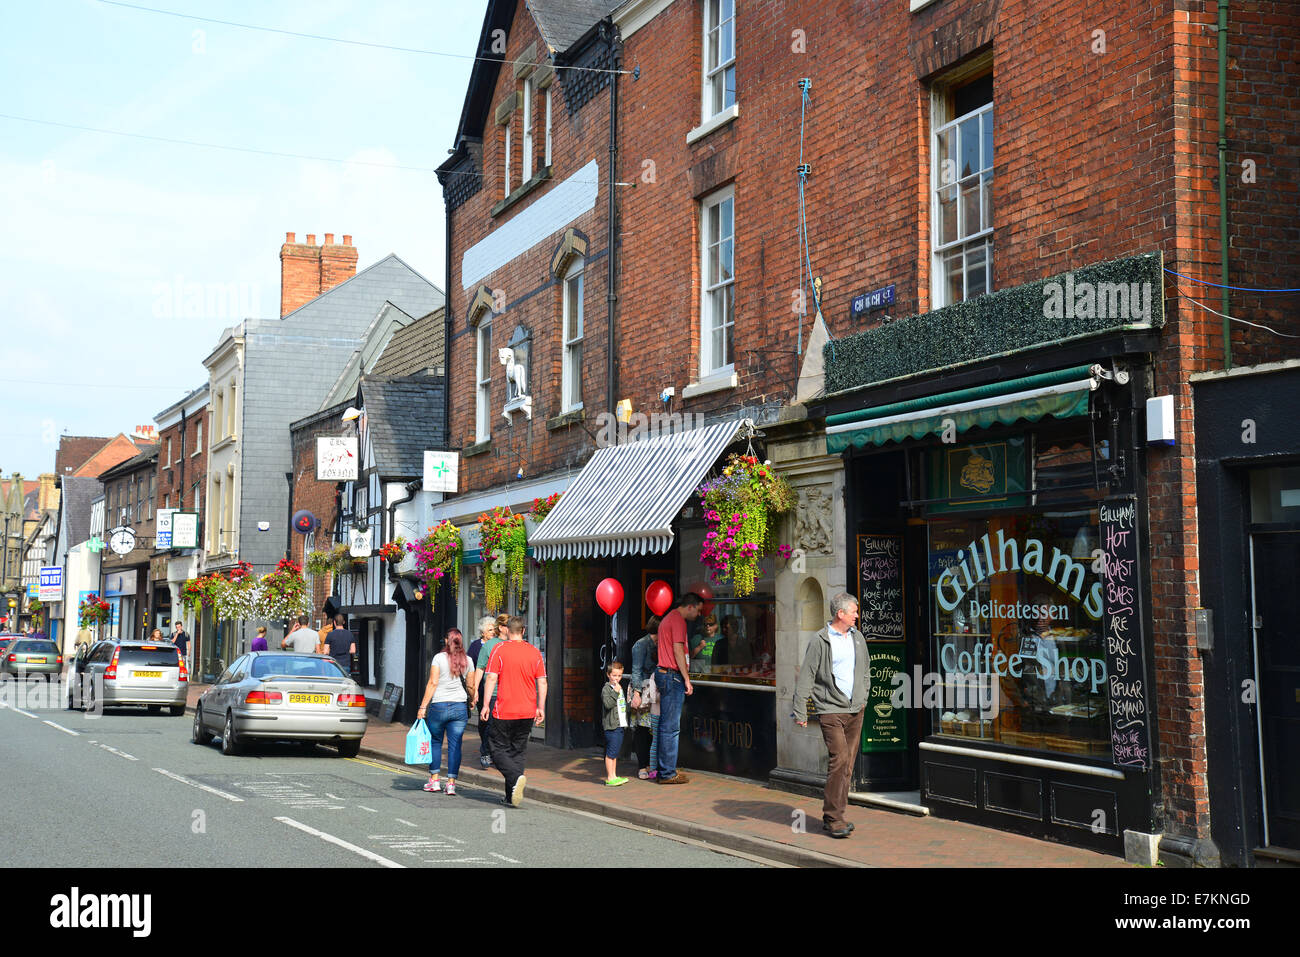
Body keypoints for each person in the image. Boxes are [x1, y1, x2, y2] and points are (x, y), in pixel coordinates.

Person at [792, 593, 871, 839]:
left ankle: (837, 814)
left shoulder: (858, 638)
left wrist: (863, 697)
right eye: (854, 612)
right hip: (830, 709)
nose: (857, 615)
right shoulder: (820, 640)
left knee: (847, 765)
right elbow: (807, 674)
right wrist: (800, 709)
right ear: (841, 614)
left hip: (855, 709)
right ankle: (833, 818)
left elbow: (866, 668)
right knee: (840, 759)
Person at [481, 615, 547, 807]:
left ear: (507, 631)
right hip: (527, 710)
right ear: (523, 631)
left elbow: (491, 678)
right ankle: (511, 796)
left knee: (496, 748)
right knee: (517, 751)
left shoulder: (499, 649)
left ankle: (516, 777)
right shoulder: (534, 652)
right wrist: (541, 707)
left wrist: (485, 704)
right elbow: (542, 682)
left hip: (505, 710)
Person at [416, 628, 476, 796]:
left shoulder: (438, 658)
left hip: (439, 706)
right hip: (459, 708)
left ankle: (434, 781)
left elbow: (432, 683)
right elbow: (471, 686)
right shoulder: (468, 660)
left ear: (446, 641)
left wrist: (422, 707)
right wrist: (472, 700)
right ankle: (451, 784)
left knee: (435, 742)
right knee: (455, 745)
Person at [654, 592, 703, 785]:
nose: (698, 615)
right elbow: (678, 650)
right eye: (698, 610)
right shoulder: (678, 621)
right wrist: (687, 679)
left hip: (665, 674)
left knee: (667, 726)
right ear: (689, 606)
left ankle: (666, 769)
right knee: (671, 727)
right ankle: (667, 773)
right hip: (672, 676)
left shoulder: (669, 618)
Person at [627, 616, 660, 779]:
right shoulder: (641, 645)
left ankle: (650, 764)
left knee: (652, 729)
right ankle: (642, 766)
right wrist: (637, 693)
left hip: (656, 689)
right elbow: (636, 670)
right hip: (644, 688)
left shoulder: (660, 645)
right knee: (642, 728)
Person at [467, 615, 500, 768]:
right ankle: (486, 748)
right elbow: (471, 669)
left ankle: (490, 750)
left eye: (494, 628)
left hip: (497, 690)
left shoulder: (499, 645)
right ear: (483, 633)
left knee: (495, 722)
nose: (493, 632)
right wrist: (473, 691)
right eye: (490, 629)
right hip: (481, 689)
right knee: (484, 721)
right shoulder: (475, 646)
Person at [601, 661, 630, 786]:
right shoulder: (607, 689)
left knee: (615, 753)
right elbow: (608, 704)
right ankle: (610, 777)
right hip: (611, 726)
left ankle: (614, 775)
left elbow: (621, 705)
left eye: (619, 676)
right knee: (610, 753)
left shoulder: (619, 688)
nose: (616, 678)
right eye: (614, 675)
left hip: (620, 725)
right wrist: (616, 692)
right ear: (608, 675)